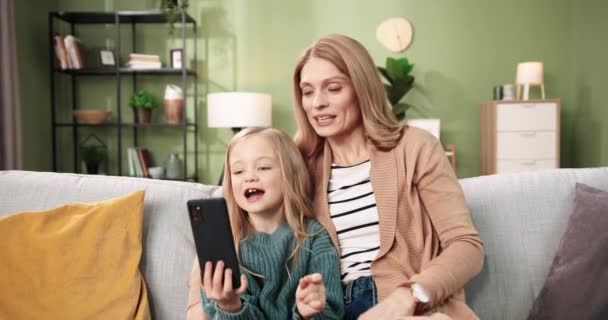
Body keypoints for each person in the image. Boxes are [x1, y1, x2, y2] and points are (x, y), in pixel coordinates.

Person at [291, 34, 484, 319]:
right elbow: (245, 230)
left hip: (408, 308)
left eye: (333, 88)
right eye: (307, 92)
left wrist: (409, 295)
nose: (317, 103)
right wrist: (199, 303)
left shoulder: (415, 147)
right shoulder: (298, 166)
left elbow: (466, 247)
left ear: (362, 88)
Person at [186, 127, 344, 320]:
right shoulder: (226, 245)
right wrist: (231, 307)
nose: (249, 177)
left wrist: (308, 314)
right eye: (238, 171)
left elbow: (331, 313)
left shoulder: (315, 238)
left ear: (291, 174)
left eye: (263, 167)